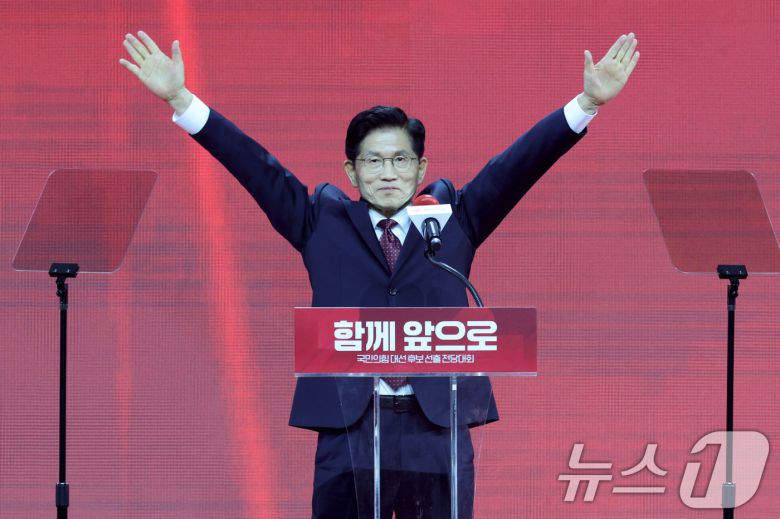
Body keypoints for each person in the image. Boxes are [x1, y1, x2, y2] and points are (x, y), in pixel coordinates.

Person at [120, 30, 638, 518]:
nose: (388, 173)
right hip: (350, 422)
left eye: (400, 161)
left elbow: (517, 166)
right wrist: (181, 99)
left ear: (420, 168)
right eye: (373, 162)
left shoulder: (453, 220)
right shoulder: (319, 221)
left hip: (436, 422)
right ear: (352, 171)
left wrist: (586, 103)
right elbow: (254, 166)